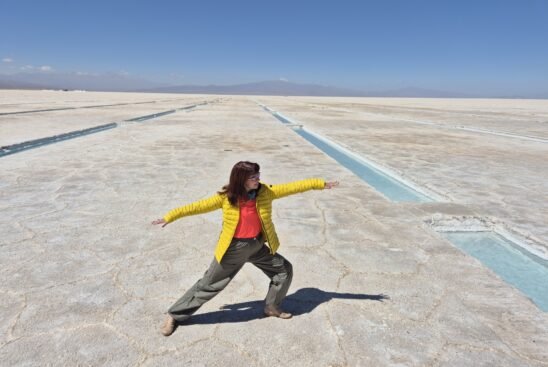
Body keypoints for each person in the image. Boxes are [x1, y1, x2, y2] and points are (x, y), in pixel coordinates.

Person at [152, 161, 339, 336]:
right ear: (241, 179)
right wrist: (170, 216)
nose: (258, 180)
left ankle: (272, 307)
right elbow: (196, 207)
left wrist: (320, 183)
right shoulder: (226, 198)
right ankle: (174, 315)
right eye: (253, 177)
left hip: (256, 245)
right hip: (233, 249)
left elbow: (294, 187)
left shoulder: (266, 192)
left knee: (283, 270)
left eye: (258, 176)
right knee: (208, 285)